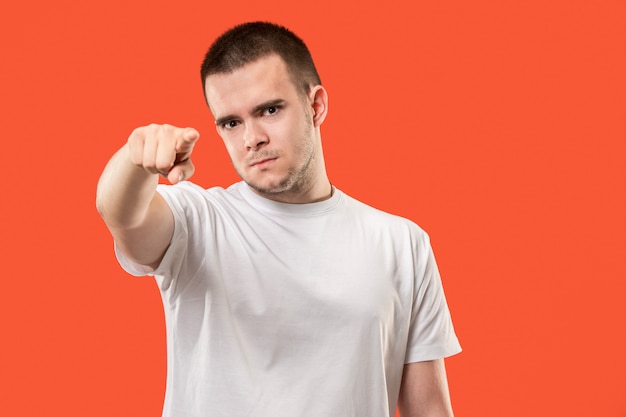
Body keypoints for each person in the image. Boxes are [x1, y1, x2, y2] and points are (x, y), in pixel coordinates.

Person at [96, 21, 461, 417]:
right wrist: (136, 160)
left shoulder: (401, 244)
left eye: (269, 110)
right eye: (231, 123)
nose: (251, 138)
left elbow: (430, 410)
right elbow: (121, 215)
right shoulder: (198, 222)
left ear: (315, 105)